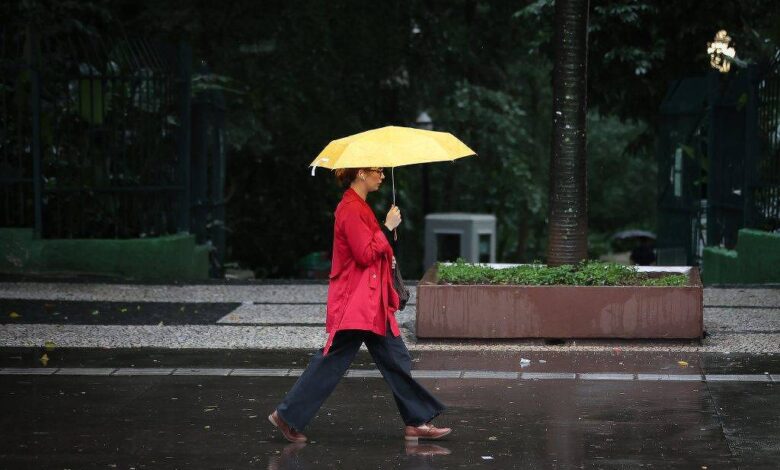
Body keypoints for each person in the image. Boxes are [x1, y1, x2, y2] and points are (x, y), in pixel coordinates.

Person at [268, 167, 451, 443]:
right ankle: (287, 415)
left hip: (371, 302)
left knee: (395, 358)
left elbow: (372, 250)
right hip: (357, 302)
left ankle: (416, 420)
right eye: (377, 170)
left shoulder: (359, 206)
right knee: (333, 361)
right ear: (361, 173)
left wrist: (387, 235)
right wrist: (387, 227)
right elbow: (364, 254)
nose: (381, 175)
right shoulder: (349, 209)